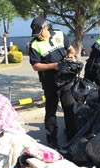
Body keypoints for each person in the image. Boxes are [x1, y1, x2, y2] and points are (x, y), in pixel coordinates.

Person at [28, 16, 77, 149]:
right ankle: (52, 141)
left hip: (66, 79)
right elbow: (36, 66)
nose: (39, 36)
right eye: (36, 35)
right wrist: (55, 66)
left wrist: (71, 54)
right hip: (50, 83)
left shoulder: (60, 34)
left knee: (69, 109)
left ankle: (71, 136)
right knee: (51, 112)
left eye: (40, 33)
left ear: (46, 27)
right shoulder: (34, 44)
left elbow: (71, 48)